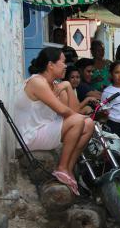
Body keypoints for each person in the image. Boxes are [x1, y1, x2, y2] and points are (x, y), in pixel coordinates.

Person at [14, 47, 94, 195]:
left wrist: (68, 86)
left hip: (44, 130)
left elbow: (74, 110)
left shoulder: (55, 85)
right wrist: (80, 117)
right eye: (62, 62)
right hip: (29, 136)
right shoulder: (37, 82)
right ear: (51, 65)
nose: (65, 66)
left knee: (89, 124)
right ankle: (61, 168)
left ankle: (68, 169)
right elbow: (63, 111)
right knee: (79, 120)